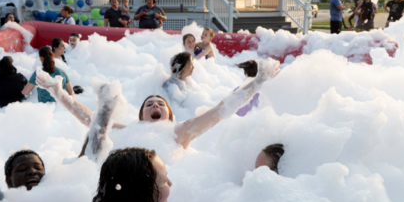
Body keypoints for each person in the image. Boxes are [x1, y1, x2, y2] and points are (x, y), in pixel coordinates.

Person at [35, 58, 280, 150]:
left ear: (170, 114)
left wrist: (256, 83)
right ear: (141, 115)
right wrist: (58, 92)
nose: (155, 106)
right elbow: (90, 119)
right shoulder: (128, 131)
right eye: (149, 104)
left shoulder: (180, 132)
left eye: (160, 104)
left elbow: (220, 111)